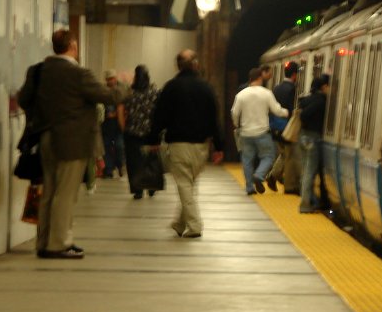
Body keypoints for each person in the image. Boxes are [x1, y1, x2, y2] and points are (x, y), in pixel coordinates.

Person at [17, 29, 123, 258]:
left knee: (49, 192)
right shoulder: (79, 74)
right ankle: (59, 244)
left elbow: (24, 99)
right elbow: (109, 97)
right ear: (73, 46)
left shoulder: (38, 71)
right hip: (72, 142)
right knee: (65, 194)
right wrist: (123, 86)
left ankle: (44, 242)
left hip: (45, 139)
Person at [147, 49, 224, 238]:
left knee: (184, 185)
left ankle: (195, 225)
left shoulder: (171, 87)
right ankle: (180, 224)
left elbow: (159, 116)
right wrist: (219, 146)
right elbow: (214, 118)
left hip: (179, 144)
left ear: (178, 66)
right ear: (196, 64)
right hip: (201, 146)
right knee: (189, 184)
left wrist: (153, 139)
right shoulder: (207, 88)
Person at [231, 66, 288, 195]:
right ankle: (259, 175)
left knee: (247, 159)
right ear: (259, 78)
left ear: (250, 79)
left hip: (245, 132)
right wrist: (287, 112)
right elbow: (277, 110)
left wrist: (237, 125)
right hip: (262, 132)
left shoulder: (241, 94)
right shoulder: (266, 93)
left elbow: (234, 113)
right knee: (268, 156)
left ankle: (250, 187)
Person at [123, 65, 160, 199]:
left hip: (132, 131)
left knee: (134, 162)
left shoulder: (130, 92)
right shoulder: (154, 91)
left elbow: (123, 110)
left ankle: (138, 190)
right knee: (150, 160)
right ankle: (151, 187)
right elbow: (158, 111)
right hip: (150, 132)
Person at [266, 60, 301, 194]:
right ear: (294, 75)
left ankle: (273, 177)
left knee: (284, 154)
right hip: (287, 128)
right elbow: (291, 109)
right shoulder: (292, 89)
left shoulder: (277, 88)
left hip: (275, 126)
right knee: (290, 156)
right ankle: (289, 186)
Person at [298, 73, 330, 213]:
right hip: (313, 138)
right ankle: (305, 204)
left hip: (303, 137)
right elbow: (304, 115)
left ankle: (310, 200)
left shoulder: (306, 100)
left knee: (306, 170)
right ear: (323, 87)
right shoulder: (321, 101)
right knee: (310, 172)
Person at [101, 69, 126, 178]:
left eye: (111, 79)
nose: (110, 81)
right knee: (106, 146)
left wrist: (116, 114)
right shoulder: (102, 90)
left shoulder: (122, 89)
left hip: (118, 123)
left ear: (115, 78)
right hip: (105, 124)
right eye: (108, 79)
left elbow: (125, 105)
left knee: (119, 146)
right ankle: (109, 169)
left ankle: (120, 165)